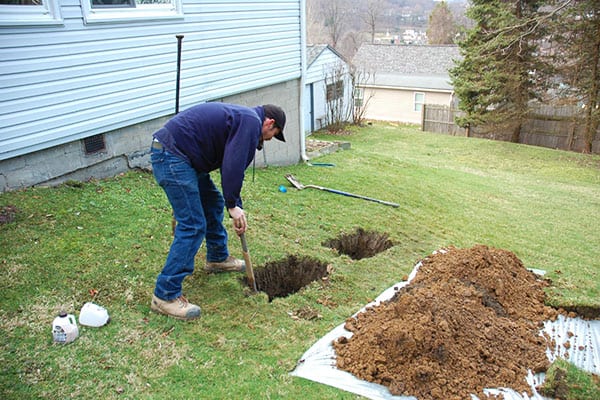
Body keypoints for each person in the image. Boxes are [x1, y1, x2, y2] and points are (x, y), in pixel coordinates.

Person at [149, 102, 286, 320]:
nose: (267, 141)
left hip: (184, 157)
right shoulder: (251, 122)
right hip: (173, 156)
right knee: (193, 225)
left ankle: (217, 258)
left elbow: (233, 166)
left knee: (212, 203)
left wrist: (235, 204)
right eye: (271, 135)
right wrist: (232, 205)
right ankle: (164, 295)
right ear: (269, 122)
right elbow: (232, 165)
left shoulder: (244, 118)